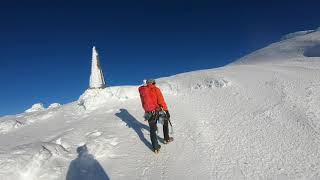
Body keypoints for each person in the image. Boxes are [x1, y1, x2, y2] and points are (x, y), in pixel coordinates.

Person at [138, 79, 173, 153]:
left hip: (148, 113)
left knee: (152, 130)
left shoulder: (143, 90)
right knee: (165, 123)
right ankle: (166, 139)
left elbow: (143, 103)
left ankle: (156, 148)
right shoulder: (156, 89)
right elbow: (161, 101)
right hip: (158, 111)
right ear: (153, 83)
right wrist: (166, 110)